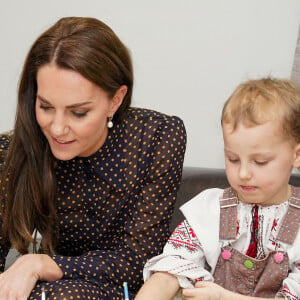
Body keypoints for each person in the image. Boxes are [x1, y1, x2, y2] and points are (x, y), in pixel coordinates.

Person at [0, 17, 186, 299]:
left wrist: (41, 263)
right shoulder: (12, 150)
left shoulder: (157, 137)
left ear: (116, 100)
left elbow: (138, 261)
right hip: (51, 287)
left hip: (128, 291)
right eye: (46, 106)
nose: (58, 128)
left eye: (78, 112)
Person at [135, 78, 300, 300]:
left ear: (296, 155)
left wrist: (222, 297)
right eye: (232, 159)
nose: (243, 173)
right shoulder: (212, 210)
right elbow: (170, 271)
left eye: (260, 162)